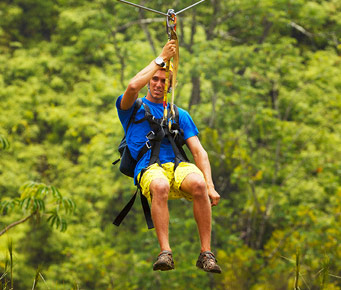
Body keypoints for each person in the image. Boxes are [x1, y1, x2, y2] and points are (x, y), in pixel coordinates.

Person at [116, 40, 222, 273]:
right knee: (160, 185)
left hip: (176, 165)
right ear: (149, 81)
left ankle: (206, 253)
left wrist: (210, 185)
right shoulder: (132, 109)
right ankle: (165, 252)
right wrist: (162, 58)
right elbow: (132, 86)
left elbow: (198, 151)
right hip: (149, 167)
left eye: (164, 81)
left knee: (198, 183)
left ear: (170, 87)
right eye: (155, 79)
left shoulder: (178, 114)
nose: (158, 83)